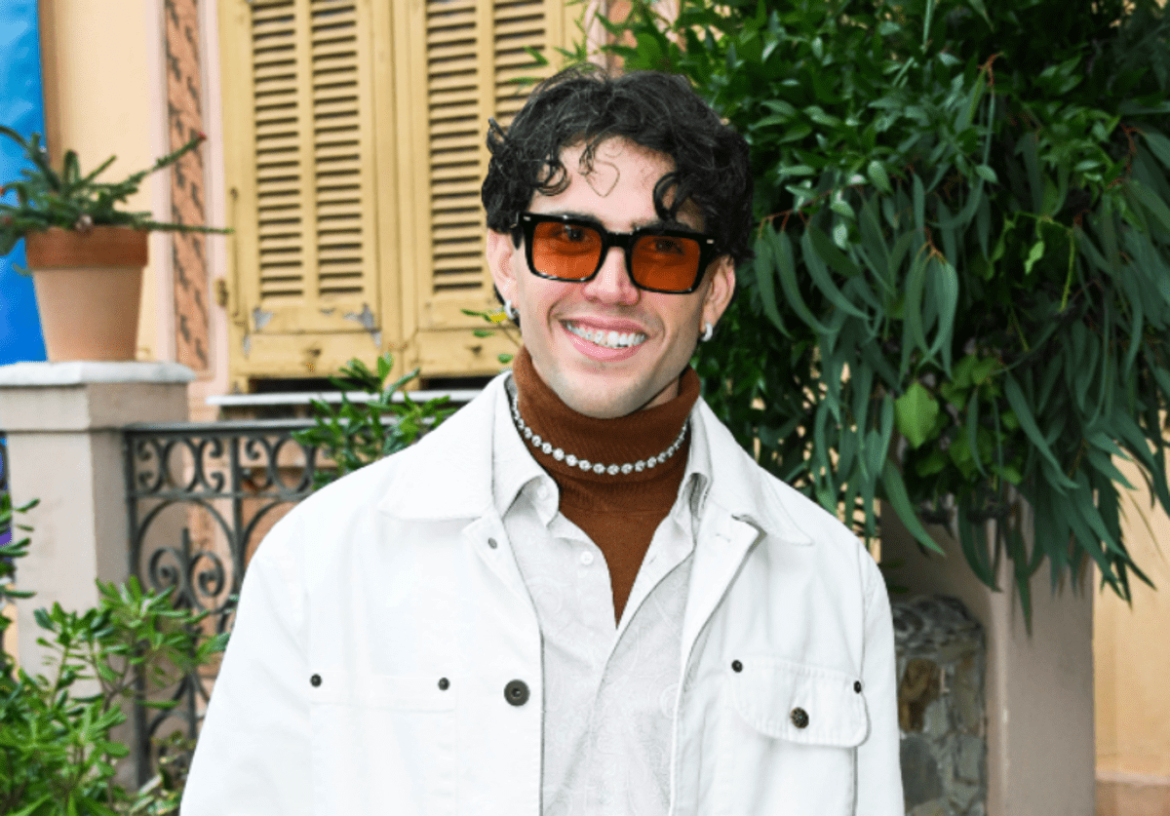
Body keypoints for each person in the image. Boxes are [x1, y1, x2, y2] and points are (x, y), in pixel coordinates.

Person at [182, 67, 903, 816]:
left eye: (662, 250)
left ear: (714, 290)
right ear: (506, 261)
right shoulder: (319, 565)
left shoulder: (831, 584)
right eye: (569, 239)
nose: (613, 287)